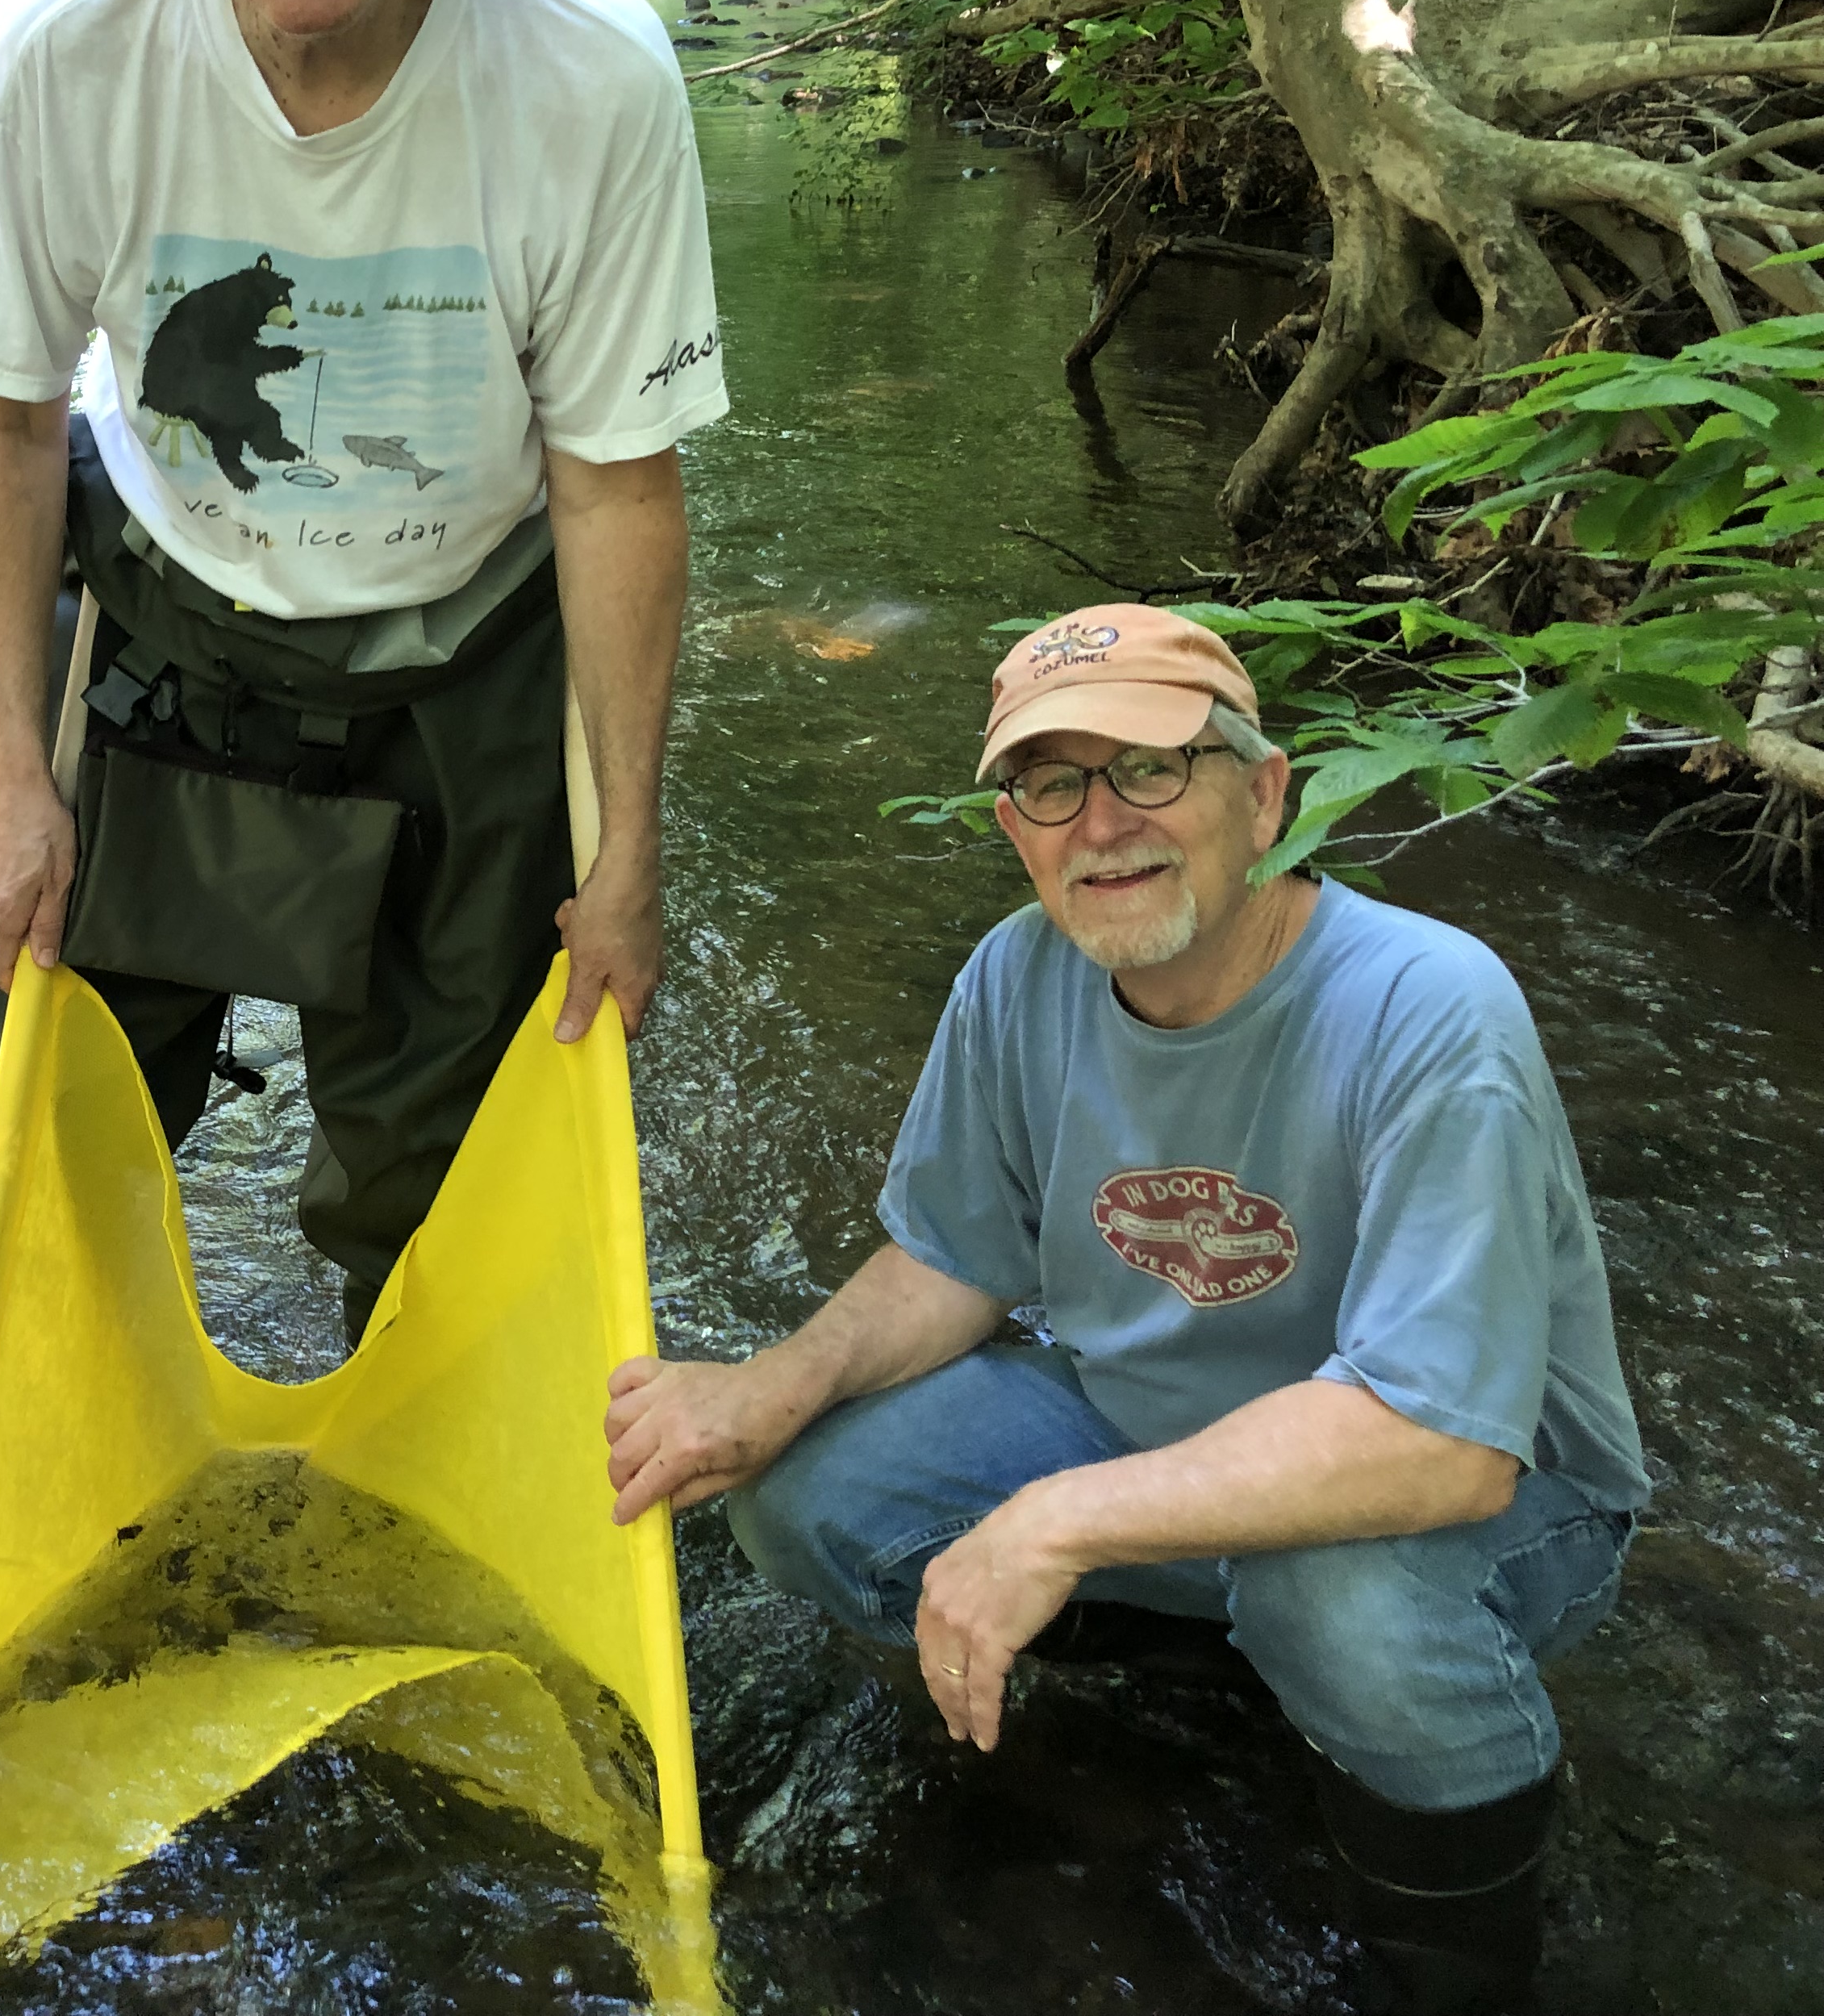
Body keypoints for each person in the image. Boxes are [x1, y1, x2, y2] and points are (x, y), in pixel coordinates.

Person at [603, 605, 1648, 2014]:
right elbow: (954, 1266)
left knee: (1319, 1584)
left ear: (1263, 792)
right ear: (1016, 829)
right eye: (1051, 784)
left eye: (1151, 768)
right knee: (800, 1494)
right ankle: (1220, 1669)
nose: (1102, 825)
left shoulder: (1428, 1008)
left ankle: (1456, 1957)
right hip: (1147, 1420)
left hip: (1503, 1492)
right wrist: (778, 1382)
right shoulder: (1019, 976)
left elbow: (1439, 1448)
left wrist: (1051, 1524)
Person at [0, 0, 725, 1338]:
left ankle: (412, 1456)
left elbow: (615, 482)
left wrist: (629, 855)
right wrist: (12, 779)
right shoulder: (73, 45)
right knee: (48, 1149)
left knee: (435, 1203)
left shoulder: (589, 67)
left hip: (474, 654)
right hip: (163, 636)